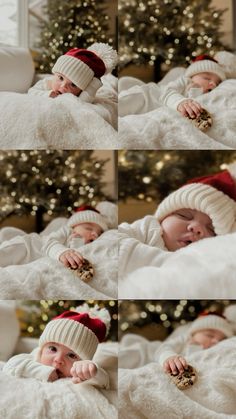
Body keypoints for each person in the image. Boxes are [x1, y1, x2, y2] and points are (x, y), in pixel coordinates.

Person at [118, 169, 236, 276]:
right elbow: (116, 240)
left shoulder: (209, 265)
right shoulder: (148, 228)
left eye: (212, 229)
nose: (196, 227)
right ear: (163, 218)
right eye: (184, 216)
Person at [3, 306, 110, 388]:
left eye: (72, 355)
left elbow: (105, 382)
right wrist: (43, 371)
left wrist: (91, 370)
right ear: (43, 348)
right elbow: (10, 365)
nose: (58, 360)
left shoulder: (79, 371)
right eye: (53, 349)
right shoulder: (37, 356)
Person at [28, 43, 118, 127]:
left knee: (111, 87)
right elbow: (31, 92)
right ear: (54, 74)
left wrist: (93, 86)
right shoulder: (46, 83)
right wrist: (47, 94)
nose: (63, 86)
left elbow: (83, 104)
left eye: (73, 85)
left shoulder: (78, 96)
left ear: (81, 90)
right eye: (61, 78)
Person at [119, 54, 225, 118]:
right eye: (206, 78)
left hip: (155, 110)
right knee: (122, 105)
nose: (213, 83)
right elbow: (167, 91)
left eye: (217, 82)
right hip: (150, 96)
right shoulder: (185, 80)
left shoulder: (207, 95)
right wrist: (180, 102)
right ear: (192, 76)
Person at [155, 313, 233, 375]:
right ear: (194, 333)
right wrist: (168, 357)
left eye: (221, 339)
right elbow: (164, 348)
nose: (216, 341)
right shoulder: (185, 339)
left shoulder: (216, 350)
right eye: (210, 335)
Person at [42, 205, 108, 268]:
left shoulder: (92, 245)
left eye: (99, 233)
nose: (95, 234)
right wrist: (61, 252)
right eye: (88, 228)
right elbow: (48, 242)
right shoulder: (67, 231)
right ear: (74, 227)